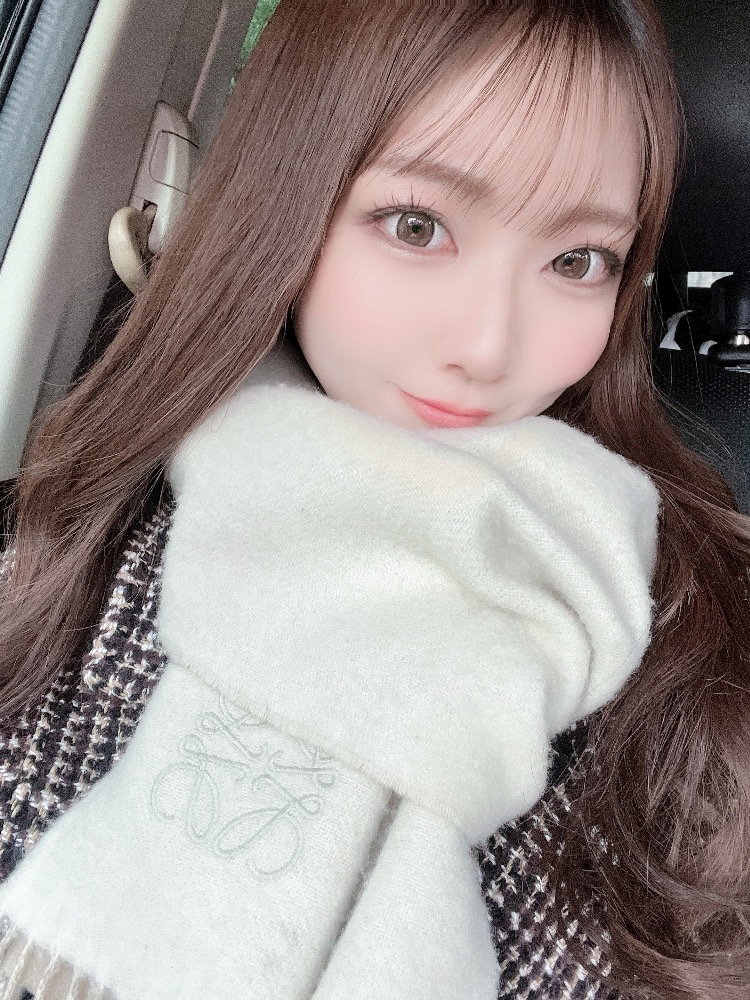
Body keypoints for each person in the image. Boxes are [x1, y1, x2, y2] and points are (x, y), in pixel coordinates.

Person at [0, 1, 747, 998]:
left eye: (577, 261)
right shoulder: (52, 562)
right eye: (417, 226)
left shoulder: (703, 644)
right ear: (287, 203)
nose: (487, 345)